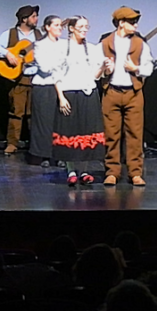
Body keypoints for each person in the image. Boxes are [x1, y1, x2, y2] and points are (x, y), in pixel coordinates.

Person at [101, 6, 154, 186]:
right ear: (121, 23)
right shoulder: (105, 42)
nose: (136, 25)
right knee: (111, 134)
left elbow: (149, 68)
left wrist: (135, 69)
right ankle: (112, 171)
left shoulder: (140, 44)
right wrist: (104, 70)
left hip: (133, 93)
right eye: (132, 22)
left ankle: (135, 172)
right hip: (112, 92)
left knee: (135, 134)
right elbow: (95, 68)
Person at [53, 16, 109, 186]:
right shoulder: (61, 47)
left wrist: (102, 67)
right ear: (71, 28)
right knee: (71, 132)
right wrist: (61, 97)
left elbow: (94, 76)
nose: (84, 30)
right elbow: (56, 74)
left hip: (88, 94)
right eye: (81, 27)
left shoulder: (92, 49)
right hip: (69, 93)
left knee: (86, 132)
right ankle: (70, 171)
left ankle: (84, 171)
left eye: (86, 27)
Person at [0, 4, 43, 155]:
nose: (36, 19)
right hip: (17, 79)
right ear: (24, 19)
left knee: (35, 113)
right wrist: (8, 54)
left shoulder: (39, 36)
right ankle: (12, 144)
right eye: (33, 16)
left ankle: (36, 145)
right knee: (16, 112)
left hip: (36, 78)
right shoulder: (11, 33)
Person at [27, 14, 66, 168]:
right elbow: (44, 67)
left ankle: (60, 154)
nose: (59, 28)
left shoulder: (65, 44)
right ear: (48, 27)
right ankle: (44, 155)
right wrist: (60, 63)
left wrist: (58, 63)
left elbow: (67, 64)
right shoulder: (40, 45)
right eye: (56, 25)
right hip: (44, 86)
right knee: (44, 122)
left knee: (61, 122)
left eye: (60, 25)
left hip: (62, 85)